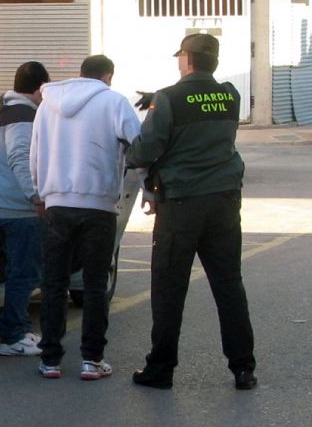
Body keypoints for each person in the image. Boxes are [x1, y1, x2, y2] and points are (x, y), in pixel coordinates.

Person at [126, 33, 257, 390]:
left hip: (182, 203)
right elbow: (202, 115)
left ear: (187, 59)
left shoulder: (168, 98)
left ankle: (161, 369)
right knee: (229, 284)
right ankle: (243, 368)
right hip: (224, 200)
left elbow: (148, 148)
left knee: (169, 288)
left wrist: (132, 152)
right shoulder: (230, 94)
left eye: (180, 57)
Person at [30, 55, 142, 379]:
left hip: (56, 205)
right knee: (94, 284)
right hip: (99, 207)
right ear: (108, 76)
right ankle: (92, 361)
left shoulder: (47, 105)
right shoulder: (114, 102)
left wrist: (41, 193)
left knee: (54, 283)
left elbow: (34, 154)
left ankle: (50, 360)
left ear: (80, 74)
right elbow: (139, 146)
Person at [0, 61, 50, 357]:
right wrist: (35, 196)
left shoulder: (4, 110)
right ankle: (13, 336)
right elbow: (20, 157)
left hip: (3, 205)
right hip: (18, 210)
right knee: (23, 275)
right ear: (38, 89)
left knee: (19, 272)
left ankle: (21, 329)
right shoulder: (23, 117)